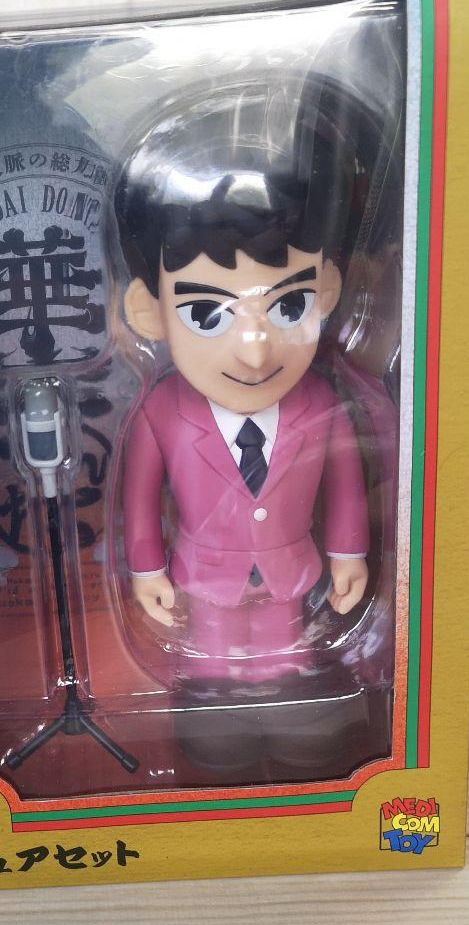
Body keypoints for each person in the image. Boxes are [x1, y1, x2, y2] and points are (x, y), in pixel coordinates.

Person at [116, 97, 368, 691]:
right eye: (207, 313)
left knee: (284, 664)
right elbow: (139, 497)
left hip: (290, 570)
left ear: (327, 291)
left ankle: (283, 702)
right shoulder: (162, 411)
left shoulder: (321, 403)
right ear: (149, 312)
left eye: (289, 305)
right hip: (205, 576)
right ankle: (216, 705)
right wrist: (145, 567)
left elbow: (346, 485)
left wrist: (348, 553)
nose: (255, 354)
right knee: (214, 668)